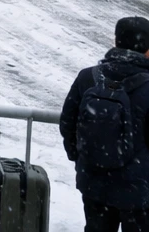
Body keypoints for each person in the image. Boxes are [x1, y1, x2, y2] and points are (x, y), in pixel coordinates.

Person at [60, 16, 149, 232]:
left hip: (94, 182)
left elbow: (67, 122)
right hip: (139, 190)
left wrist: (81, 158)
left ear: (116, 40)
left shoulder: (88, 77)